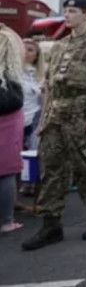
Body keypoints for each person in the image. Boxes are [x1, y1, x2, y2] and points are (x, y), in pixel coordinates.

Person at [22, 0, 86, 251]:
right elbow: (50, 84)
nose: (67, 15)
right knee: (51, 165)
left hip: (82, 108)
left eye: (73, 11)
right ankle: (51, 223)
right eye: (66, 10)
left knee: (84, 165)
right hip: (56, 111)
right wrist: (44, 117)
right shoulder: (61, 45)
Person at [0, 26, 26, 235]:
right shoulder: (12, 79)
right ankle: (6, 220)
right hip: (8, 128)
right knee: (7, 173)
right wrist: (10, 31)